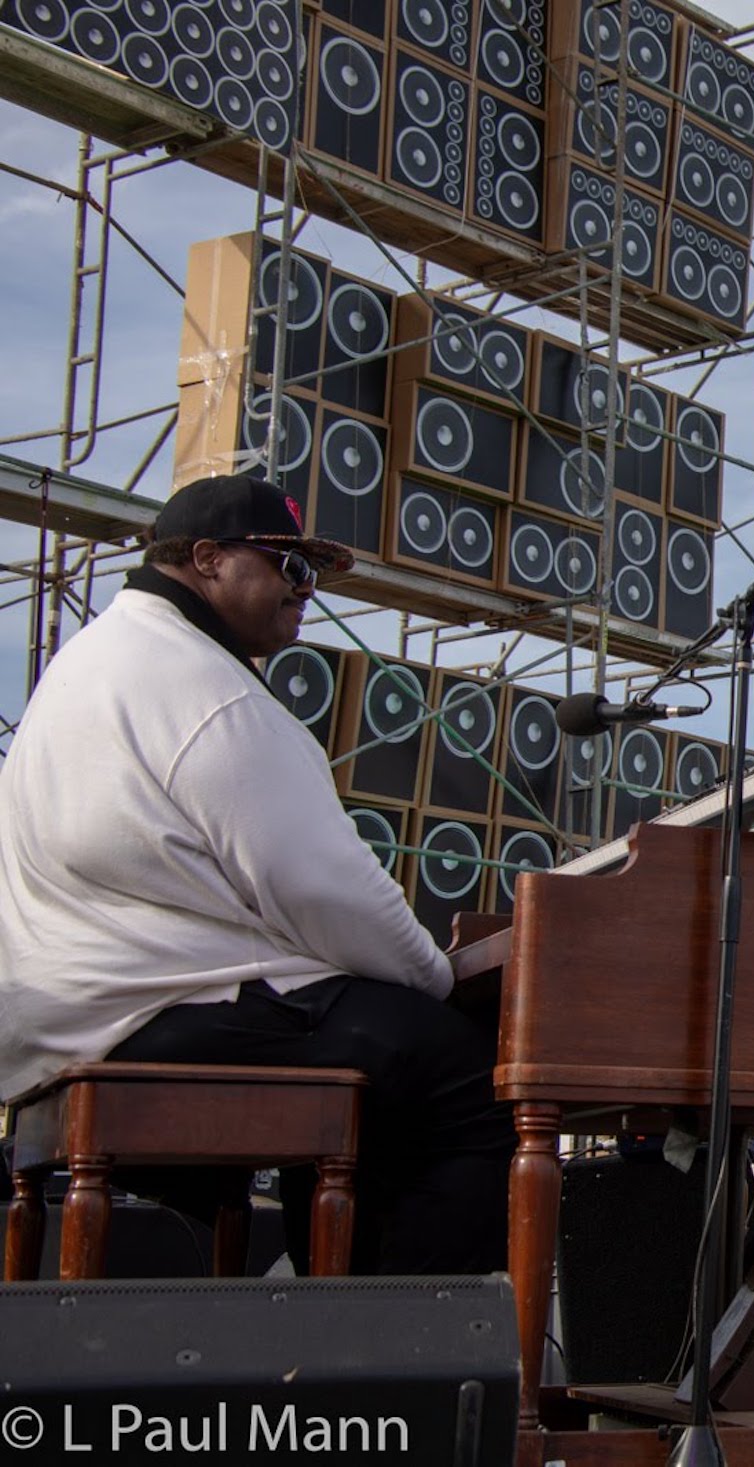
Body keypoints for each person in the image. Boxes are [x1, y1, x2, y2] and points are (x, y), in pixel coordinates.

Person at [0, 474, 511, 1273]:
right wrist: (433, 974)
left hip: (71, 1016)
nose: (305, 593)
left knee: (376, 1062)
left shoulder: (91, 666)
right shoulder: (199, 683)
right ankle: (405, 1362)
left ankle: (322, 1321)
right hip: (147, 1010)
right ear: (207, 559)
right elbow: (318, 884)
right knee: (472, 1074)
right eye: (289, 567)